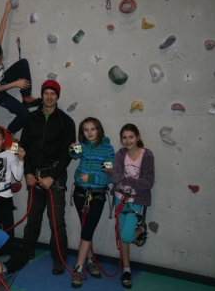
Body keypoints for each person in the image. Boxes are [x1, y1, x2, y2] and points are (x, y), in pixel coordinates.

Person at [20, 79, 76, 274]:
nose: (49, 97)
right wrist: (27, 172)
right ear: (42, 95)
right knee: (33, 218)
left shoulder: (66, 122)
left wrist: (52, 176)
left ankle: (59, 258)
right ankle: (27, 251)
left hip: (55, 177)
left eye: (53, 94)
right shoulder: (31, 119)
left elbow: (67, 154)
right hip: (34, 176)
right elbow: (24, 147)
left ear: (57, 97)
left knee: (56, 222)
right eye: (46, 93)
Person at [0, 0, 41, 137]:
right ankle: (9, 132)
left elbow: (1, 30)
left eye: (0, 58)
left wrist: (7, 9)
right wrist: (15, 84)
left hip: (0, 81)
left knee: (23, 63)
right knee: (25, 114)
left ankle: (26, 97)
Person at [68, 118, 115, 289]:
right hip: (80, 193)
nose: (89, 132)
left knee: (88, 230)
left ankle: (78, 268)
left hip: (97, 195)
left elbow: (108, 174)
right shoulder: (83, 146)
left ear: (99, 130)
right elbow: (73, 154)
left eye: (92, 129)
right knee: (86, 229)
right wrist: (72, 148)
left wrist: (92, 178)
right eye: (86, 129)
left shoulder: (107, 148)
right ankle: (90, 259)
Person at [109, 124, 154, 289]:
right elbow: (116, 179)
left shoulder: (147, 155)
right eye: (124, 137)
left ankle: (141, 229)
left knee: (127, 236)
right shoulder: (120, 154)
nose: (127, 141)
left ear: (138, 137)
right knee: (123, 238)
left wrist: (126, 181)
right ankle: (126, 270)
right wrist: (109, 173)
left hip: (137, 200)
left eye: (131, 137)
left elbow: (148, 182)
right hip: (120, 199)